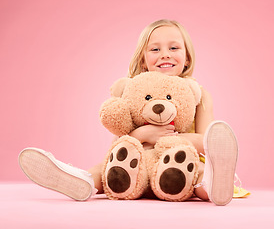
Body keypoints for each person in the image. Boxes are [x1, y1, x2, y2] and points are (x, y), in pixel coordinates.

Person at [19, 19, 239, 205]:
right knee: (103, 168)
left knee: (199, 170)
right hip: (135, 173)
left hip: (175, 172)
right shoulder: (133, 91)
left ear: (187, 57)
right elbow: (116, 145)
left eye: (174, 48)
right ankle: (80, 181)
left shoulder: (198, 94)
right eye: (155, 49)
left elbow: (207, 142)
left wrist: (170, 139)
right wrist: (144, 135)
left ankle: (212, 187)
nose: (165, 55)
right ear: (143, 60)